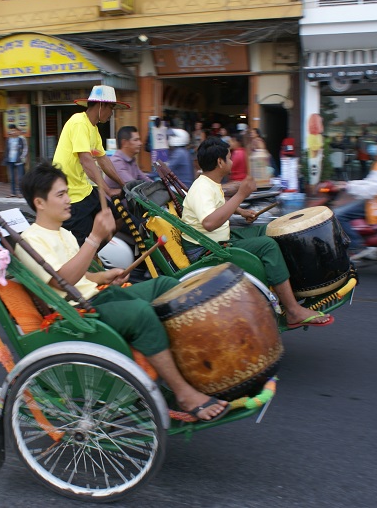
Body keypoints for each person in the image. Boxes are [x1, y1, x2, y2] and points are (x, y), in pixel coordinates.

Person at [14, 162, 230, 421]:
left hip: (97, 296)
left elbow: (81, 275)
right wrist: (94, 238)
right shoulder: (29, 241)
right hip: (76, 315)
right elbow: (61, 282)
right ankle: (183, 392)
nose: (68, 200)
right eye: (61, 195)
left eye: (67, 192)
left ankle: (196, 368)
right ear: (40, 203)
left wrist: (104, 275)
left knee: (168, 286)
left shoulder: (64, 234)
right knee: (140, 314)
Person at [181, 138, 334, 329]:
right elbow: (210, 222)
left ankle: (286, 289)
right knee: (268, 245)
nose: (232, 162)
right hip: (208, 249)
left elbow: (217, 205)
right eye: (229, 158)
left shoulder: (209, 182)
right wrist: (240, 195)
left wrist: (242, 211)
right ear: (220, 162)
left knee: (269, 230)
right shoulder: (202, 189)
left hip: (215, 239)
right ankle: (293, 311)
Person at [51, 85, 126, 245]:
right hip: (70, 195)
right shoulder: (79, 122)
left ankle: (93, 257)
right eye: (111, 108)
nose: (112, 113)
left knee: (118, 218)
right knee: (84, 242)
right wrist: (108, 190)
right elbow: (86, 160)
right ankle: (85, 263)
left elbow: (103, 160)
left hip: (84, 190)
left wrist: (123, 184)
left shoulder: (93, 129)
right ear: (101, 105)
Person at [333, 133, 377, 261]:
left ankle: (358, 246)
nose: (375, 147)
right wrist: (348, 184)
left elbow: (371, 189)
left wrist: (348, 187)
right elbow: (369, 182)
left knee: (338, 215)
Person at [104, 125, 149, 190]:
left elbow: (145, 180)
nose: (140, 143)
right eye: (136, 140)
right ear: (124, 143)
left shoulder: (131, 161)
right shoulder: (116, 162)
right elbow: (133, 186)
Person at [3, 124, 27, 197]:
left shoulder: (21, 139)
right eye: (11, 130)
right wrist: (6, 158)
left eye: (14, 130)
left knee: (20, 177)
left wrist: (22, 157)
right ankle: (13, 192)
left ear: (17, 131)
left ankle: (20, 192)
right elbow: (7, 150)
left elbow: (25, 149)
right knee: (12, 178)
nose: (13, 132)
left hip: (19, 161)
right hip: (10, 160)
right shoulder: (8, 139)